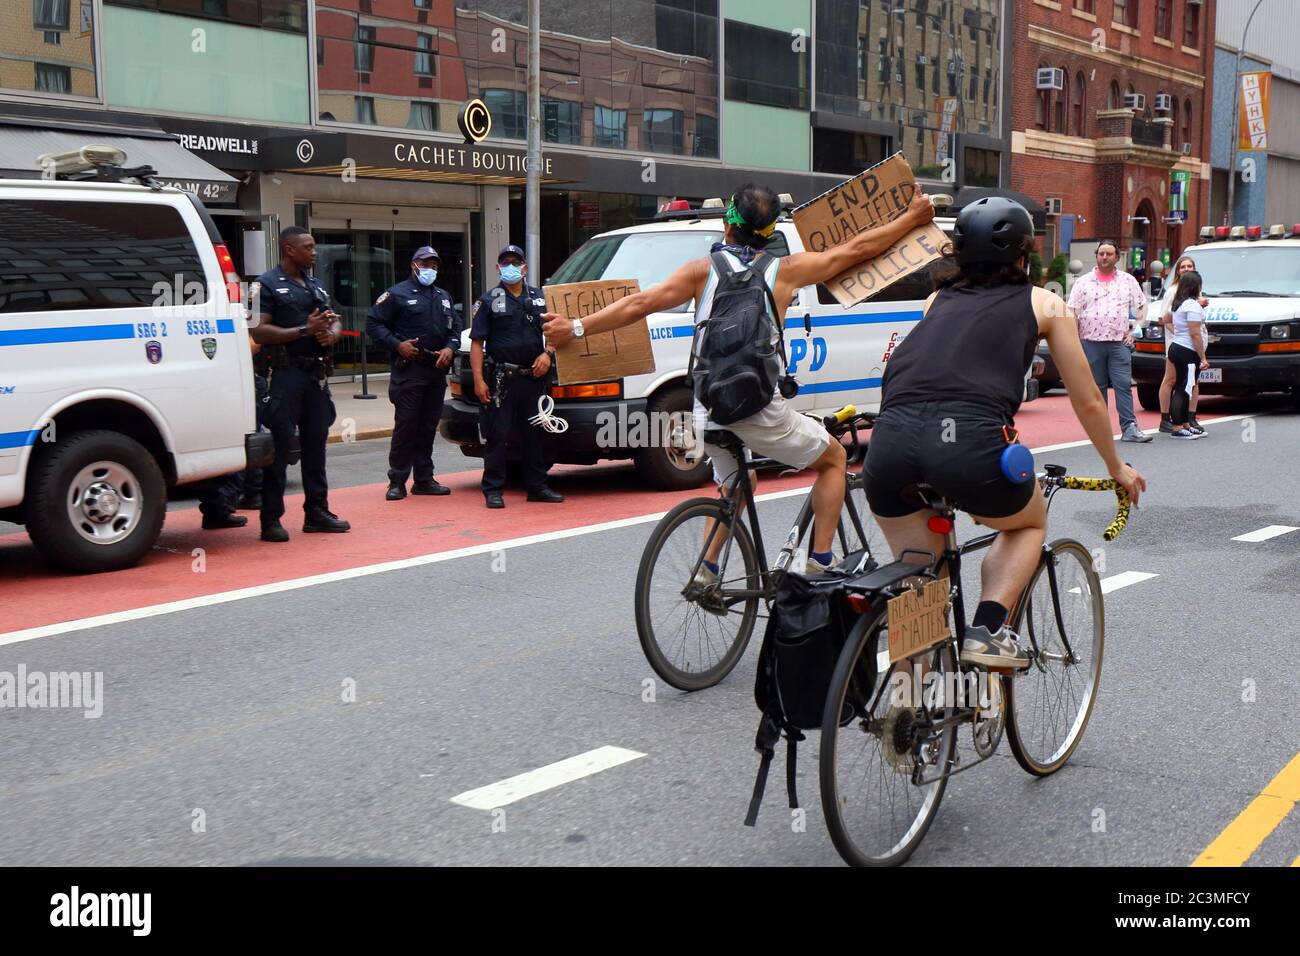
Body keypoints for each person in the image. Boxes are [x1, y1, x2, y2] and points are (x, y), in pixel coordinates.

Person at [543, 183, 936, 572]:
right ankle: (819, 560)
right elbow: (857, 251)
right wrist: (912, 218)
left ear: (727, 224)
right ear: (770, 233)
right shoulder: (785, 272)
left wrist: (575, 328)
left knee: (734, 488)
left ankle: (707, 570)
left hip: (708, 406)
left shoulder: (701, 272)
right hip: (760, 408)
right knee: (833, 459)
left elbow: (639, 304)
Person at [862, 197, 1146, 668]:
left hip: (889, 442)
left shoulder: (937, 299)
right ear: (1023, 256)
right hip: (969, 443)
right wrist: (1116, 466)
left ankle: (909, 714)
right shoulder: (1045, 302)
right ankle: (990, 628)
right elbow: (1089, 399)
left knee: (919, 580)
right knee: (1028, 522)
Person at [248, 226, 351, 542]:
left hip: (316, 377)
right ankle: (271, 519)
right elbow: (257, 331)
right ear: (289, 249)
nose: (314, 252)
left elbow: (334, 320)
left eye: (315, 247)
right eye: (308, 247)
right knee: (279, 449)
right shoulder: (264, 285)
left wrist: (329, 334)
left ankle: (317, 512)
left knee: (315, 446)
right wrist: (304, 331)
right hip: (285, 376)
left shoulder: (315, 285)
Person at [470, 244, 563, 509]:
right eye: (505, 262)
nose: (511, 267)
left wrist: (548, 353)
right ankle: (493, 490)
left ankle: (537, 487)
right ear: (499, 268)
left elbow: (556, 330)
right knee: (497, 434)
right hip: (502, 379)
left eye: (515, 262)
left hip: (533, 377)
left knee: (534, 434)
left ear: (524, 267)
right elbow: (477, 342)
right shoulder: (488, 300)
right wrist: (478, 380)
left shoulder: (539, 297)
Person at [367, 245, 461, 500]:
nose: (429, 269)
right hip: (409, 371)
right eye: (425, 264)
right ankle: (397, 480)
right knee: (406, 427)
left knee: (428, 427)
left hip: (434, 371)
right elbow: (373, 324)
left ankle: (424, 478)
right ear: (413, 265)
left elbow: (455, 329)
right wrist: (397, 345)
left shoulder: (443, 296)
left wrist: (450, 349)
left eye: (434, 265)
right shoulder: (396, 294)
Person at [1067, 240, 1152, 443]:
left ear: (1117, 257)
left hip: (1119, 342)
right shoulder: (1083, 282)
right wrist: (1073, 339)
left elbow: (1142, 305)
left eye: (1109, 254)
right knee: (1097, 387)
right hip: (1090, 342)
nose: (1104, 257)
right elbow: (1072, 312)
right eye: (1101, 254)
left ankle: (1130, 428)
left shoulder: (1128, 280)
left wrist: (1135, 330)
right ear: (1097, 256)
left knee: (1123, 384)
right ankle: (1100, 431)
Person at [1157, 255, 1210, 435]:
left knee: (1189, 383)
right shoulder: (1174, 293)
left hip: (1184, 345)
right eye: (1183, 266)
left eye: (1190, 266)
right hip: (1185, 346)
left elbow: (1172, 316)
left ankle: (1187, 420)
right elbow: (1164, 319)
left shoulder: (1186, 300)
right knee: (1179, 383)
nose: (1186, 269)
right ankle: (1174, 422)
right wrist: (1180, 334)